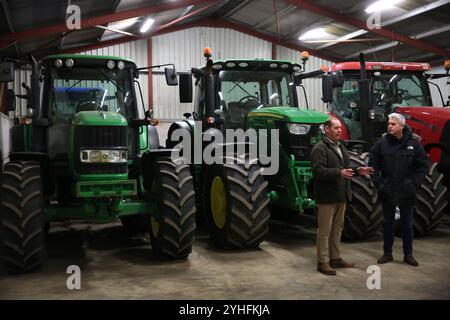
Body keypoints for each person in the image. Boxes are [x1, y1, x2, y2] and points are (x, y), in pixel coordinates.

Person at [311, 117, 374, 275]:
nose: (339, 130)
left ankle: (335, 258)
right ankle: (322, 261)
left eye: (340, 128)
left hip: (341, 195)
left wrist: (359, 169)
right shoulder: (319, 148)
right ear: (326, 129)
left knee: (337, 229)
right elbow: (318, 171)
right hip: (327, 197)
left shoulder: (340, 146)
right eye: (336, 128)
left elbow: (346, 166)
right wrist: (338, 173)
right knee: (324, 231)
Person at [369, 113, 429, 267]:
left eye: (393, 124)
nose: (389, 126)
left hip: (406, 190)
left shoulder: (414, 144)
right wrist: (380, 184)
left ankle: (408, 254)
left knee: (407, 224)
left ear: (402, 126)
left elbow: (422, 166)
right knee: (387, 222)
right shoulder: (381, 144)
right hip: (387, 190)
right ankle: (387, 253)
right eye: (389, 123)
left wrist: (414, 184)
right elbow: (373, 166)